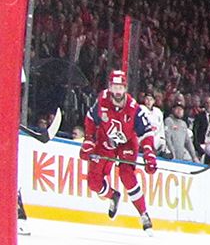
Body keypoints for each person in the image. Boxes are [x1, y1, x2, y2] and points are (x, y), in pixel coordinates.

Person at [81, 69, 155, 231]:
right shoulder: (102, 101)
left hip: (127, 143)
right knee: (94, 182)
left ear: (125, 88)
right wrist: (88, 140)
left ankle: (143, 214)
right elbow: (91, 119)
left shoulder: (134, 108)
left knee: (126, 175)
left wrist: (149, 154)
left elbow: (146, 132)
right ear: (109, 87)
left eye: (120, 87)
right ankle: (113, 195)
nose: (117, 91)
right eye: (114, 87)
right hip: (105, 140)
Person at [164, 99, 197, 164]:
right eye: (177, 109)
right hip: (170, 158)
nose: (179, 111)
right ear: (173, 109)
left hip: (180, 158)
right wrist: (172, 153)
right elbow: (167, 138)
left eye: (181, 109)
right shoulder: (168, 120)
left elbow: (188, 142)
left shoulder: (183, 124)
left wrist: (194, 157)